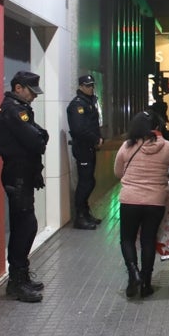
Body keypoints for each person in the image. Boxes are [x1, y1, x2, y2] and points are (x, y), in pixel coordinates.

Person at [114, 112, 169, 297]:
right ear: (157, 127)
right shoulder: (168, 147)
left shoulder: (127, 146)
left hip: (129, 200)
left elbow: (117, 172)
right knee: (148, 240)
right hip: (155, 202)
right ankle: (146, 283)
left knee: (127, 239)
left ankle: (133, 274)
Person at [0, 70, 49, 303]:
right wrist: (40, 137)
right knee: (24, 226)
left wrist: (40, 137)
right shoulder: (13, 110)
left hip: (23, 173)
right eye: (31, 91)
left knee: (25, 226)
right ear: (18, 88)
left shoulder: (19, 108)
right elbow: (37, 139)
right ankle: (16, 281)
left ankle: (20, 277)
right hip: (17, 174)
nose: (34, 96)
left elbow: (39, 137)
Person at [66, 73, 102, 230]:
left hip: (89, 148)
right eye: (88, 86)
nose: (91, 88)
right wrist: (95, 139)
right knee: (85, 183)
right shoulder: (77, 105)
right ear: (81, 87)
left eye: (92, 85)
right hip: (82, 148)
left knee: (89, 181)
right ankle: (80, 217)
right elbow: (79, 129)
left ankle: (85, 213)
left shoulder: (89, 102)